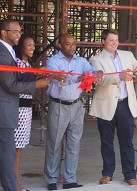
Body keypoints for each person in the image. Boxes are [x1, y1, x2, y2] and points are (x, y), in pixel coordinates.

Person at [0, 19, 49, 191]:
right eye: (15, 31)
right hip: (1, 114)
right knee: (7, 156)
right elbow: (11, 85)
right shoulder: (1, 54)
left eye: (19, 32)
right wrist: (37, 85)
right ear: (3, 33)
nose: (18, 35)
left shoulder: (6, 53)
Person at [88, 29, 137, 186]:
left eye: (116, 40)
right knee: (106, 141)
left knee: (127, 141)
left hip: (125, 105)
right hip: (106, 105)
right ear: (103, 41)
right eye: (111, 40)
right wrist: (118, 77)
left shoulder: (127, 56)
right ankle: (107, 173)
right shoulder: (95, 59)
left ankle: (130, 174)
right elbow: (99, 79)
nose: (115, 43)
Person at [44, 33, 103, 190]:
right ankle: (51, 179)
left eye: (73, 44)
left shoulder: (81, 61)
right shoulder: (53, 61)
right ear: (60, 46)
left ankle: (70, 179)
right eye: (68, 44)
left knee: (74, 143)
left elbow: (92, 70)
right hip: (58, 105)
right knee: (54, 143)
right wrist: (77, 79)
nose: (72, 47)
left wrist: (97, 73)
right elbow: (60, 80)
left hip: (76, 106)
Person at [13, 34, 37, 191]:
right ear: (21, 46)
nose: (32, 48)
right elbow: (19, 83)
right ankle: (14, 183)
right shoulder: (17, 63)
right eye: (28, 45)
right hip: (18, 110)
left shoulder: (29, 65)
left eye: (33, 45)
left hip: (27, 110)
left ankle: (14, 181)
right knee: (15, 148)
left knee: (19, 148)